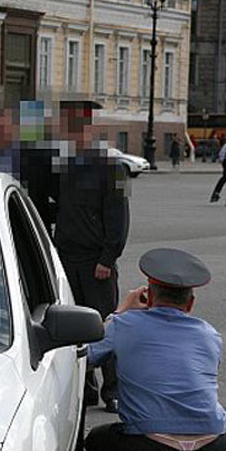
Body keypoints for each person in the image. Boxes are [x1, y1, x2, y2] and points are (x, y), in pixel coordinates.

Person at [85, 247, 226, 451]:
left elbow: (87, 354)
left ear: (149, 296)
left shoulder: (124, 324)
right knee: (209, 417)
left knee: (98, 439)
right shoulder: (210, 334)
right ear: (190, 303)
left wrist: (121, 311)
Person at [54, 100, 130, 413]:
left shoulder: (112, 166)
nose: (69, 132)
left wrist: (108, 258)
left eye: (75, 125)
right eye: (66, 125)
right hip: (66, 256)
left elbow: (119, 216)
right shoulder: (64, 163)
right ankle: (86, 389)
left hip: (96, 261)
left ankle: (114, 390)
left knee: (104, 326)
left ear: (89, 128)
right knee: (73, 328)